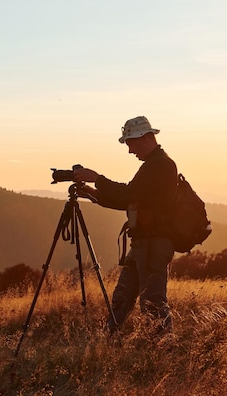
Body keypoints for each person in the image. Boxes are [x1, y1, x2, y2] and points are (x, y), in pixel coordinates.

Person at [73, 116, 177, 336]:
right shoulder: (154, 164)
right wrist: (93, 194)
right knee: (123, 296)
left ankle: (163, 351)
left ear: (146, 138)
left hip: (154, 244)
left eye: (131, 143)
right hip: (144, 244)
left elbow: (128, 194)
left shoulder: (160, 165)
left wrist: (97, 179)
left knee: (153, 301)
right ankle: (109, 342)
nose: (130, 150)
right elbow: (129, 200)